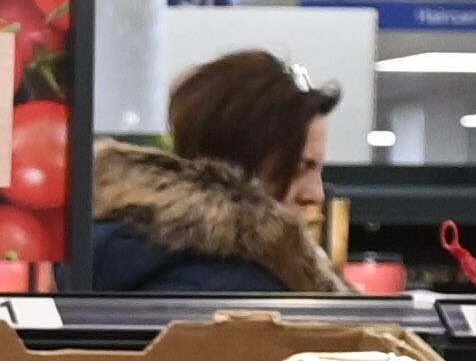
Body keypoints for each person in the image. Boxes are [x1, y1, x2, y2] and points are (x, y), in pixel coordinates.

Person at [87, 50, 344, 294]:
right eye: (300, 168)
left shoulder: (116, 249)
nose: (316, 194)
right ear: (239, 161)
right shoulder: (248, 297)